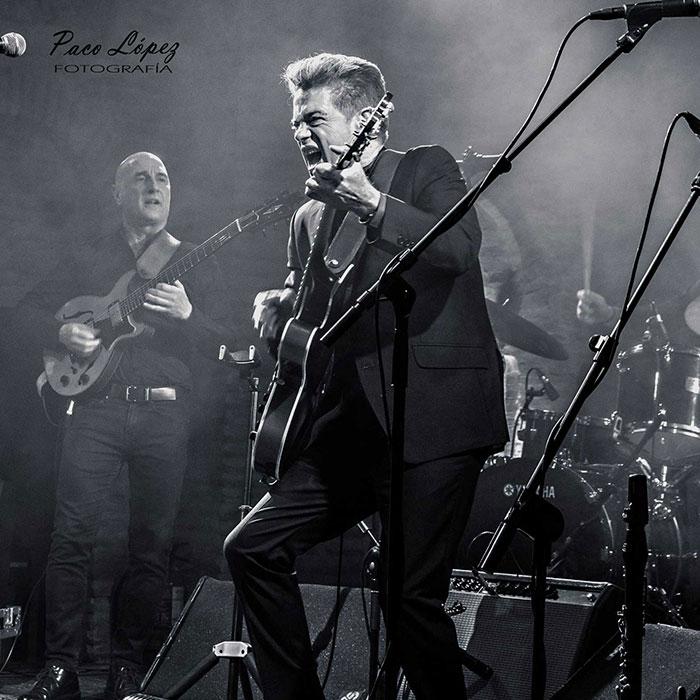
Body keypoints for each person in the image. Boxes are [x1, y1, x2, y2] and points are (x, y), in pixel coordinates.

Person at [224, 53, 508, 700]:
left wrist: (375, 204)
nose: (300, 132)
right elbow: (311, 315)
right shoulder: (309, 215)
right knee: (252, 548)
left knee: (408, 602)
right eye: (295, 121)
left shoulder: (426, 168)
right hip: (351, 428)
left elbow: (457, 249)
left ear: (363, 119)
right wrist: (278, 309)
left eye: (314, 118)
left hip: (435, 420)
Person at [16, 152, 235, 700]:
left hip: (164, 414)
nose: (154, 186)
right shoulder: (89, 253)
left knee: (151, 546)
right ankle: (60, 670)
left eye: (163, 178)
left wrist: (189, 317)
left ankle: (128, 670)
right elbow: (22, 313)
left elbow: (229, 343)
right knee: (70, 537)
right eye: (141, 178)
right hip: (96, 410)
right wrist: (60, 332)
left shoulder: (192, 259)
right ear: (118, 193)